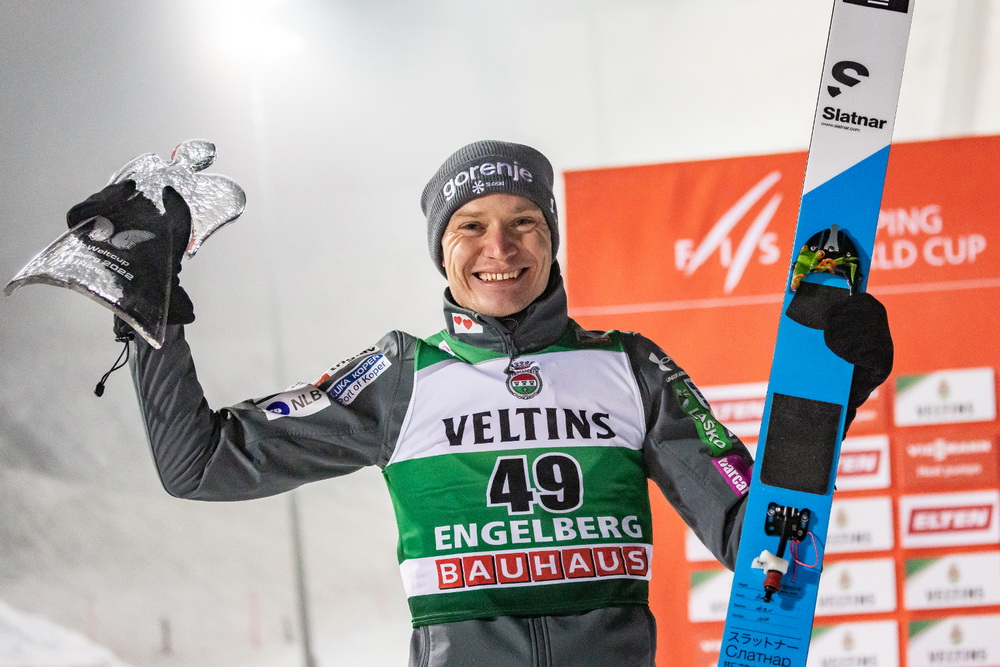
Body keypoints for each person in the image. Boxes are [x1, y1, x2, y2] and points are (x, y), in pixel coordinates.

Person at [69, 140, 892, 666]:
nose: (499, 246)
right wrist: (152, 314)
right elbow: (200, 464)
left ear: (552, 237)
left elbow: (762, 542)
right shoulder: (398, 376)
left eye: (524, 221)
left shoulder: (631, 367)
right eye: (470, 226)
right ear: (441, 248)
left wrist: (827, 402)